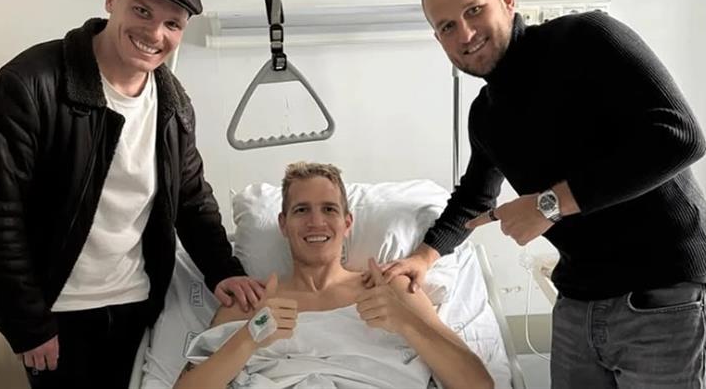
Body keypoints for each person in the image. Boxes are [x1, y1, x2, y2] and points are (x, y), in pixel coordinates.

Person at [380, 0, 706, 388]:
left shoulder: (586, 39)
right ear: (438, 39)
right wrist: (423, 257)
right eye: (447, 26)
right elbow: (474, 197)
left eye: (474, 10)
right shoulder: (487, 115)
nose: (465, 33)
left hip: (665, 294)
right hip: (580, 304)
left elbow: (680, 137)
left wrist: (549, 204)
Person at [0, 0, 264, 389]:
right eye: (142, 11)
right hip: (56, 311)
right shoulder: (30, 84)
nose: (154, 33)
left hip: (137, 305)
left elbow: (191, 197)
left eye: (172, 24)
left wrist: (223, 268)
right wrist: (27, 323)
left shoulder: (172, 103)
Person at [174, 162, 493, 389]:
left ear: (347, 223)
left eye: (329, 209)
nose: (316, 222)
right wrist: (250, 336)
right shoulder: (251, 302)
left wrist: (405, 322)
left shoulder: (391, 289)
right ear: (283, 224)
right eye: (302, 210)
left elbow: (478, 384)